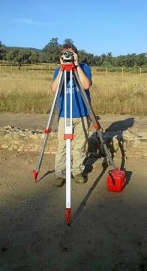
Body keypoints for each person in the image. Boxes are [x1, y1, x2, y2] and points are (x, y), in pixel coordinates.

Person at [51, 43, 92, 187]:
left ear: (75, 54)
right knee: (62, 146)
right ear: (61, 56)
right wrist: (63, 68)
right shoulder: (59, 70)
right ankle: (60, 173)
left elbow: (86, 85)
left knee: (80, 145)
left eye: (70, 53)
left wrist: (76, 65)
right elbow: (54, 89)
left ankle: (77, 171)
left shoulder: (84, 68)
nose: (67, 56)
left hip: (81, 113)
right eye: (65, 53)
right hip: (64, 115)